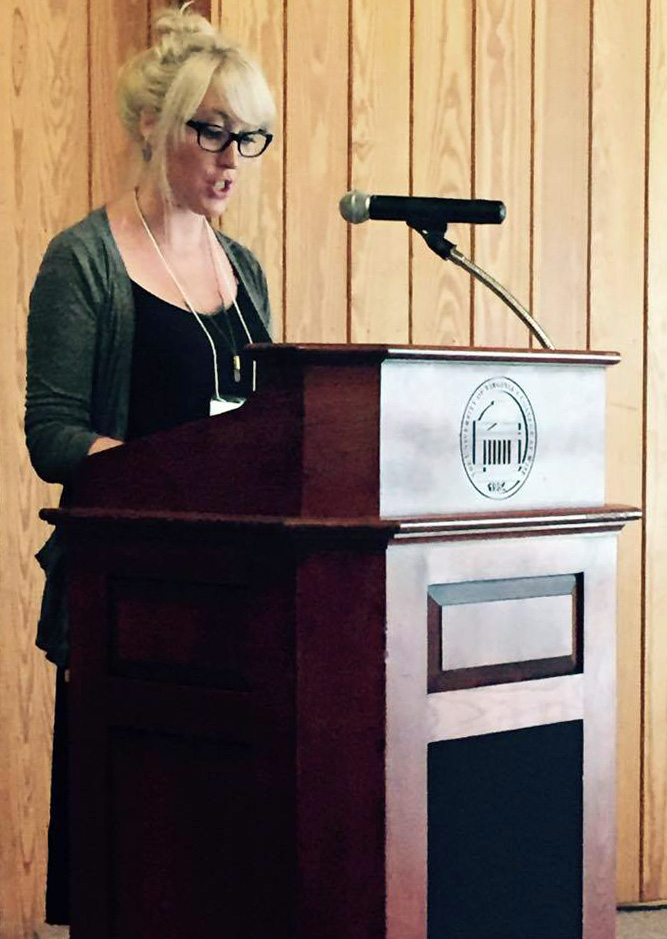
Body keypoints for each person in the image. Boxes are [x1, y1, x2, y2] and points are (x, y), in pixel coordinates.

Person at [25, 5, 275, 931]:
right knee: (133, 862)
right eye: (211, 131)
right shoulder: (83, 260)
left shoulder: (243, 269)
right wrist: (176, 479)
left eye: (246, 138)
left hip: (239, 596)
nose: (229, 160)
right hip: (128, 602)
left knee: (221, 857)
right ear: (150, 126)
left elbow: (263, 424)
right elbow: (53, 433)